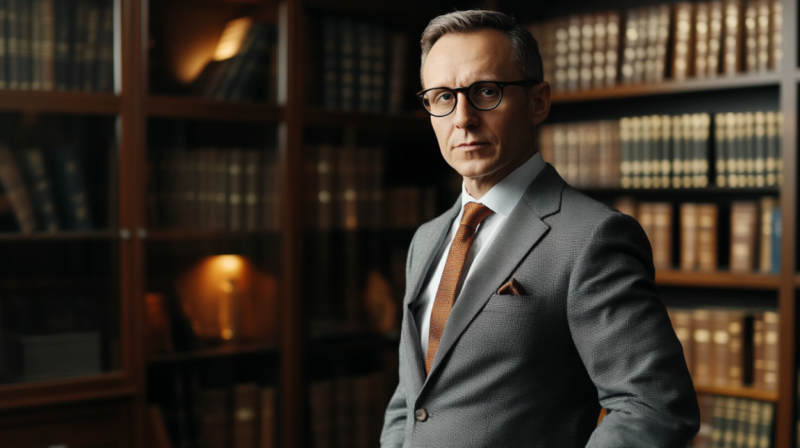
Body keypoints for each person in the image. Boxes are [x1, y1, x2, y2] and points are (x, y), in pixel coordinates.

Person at [380, 9, 699, 448]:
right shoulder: (427, 240)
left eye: (486, 91)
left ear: (538, 101)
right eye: (442, 97)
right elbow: (411, 400)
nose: (463, 118)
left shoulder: (592, 237)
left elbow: (654, 406)